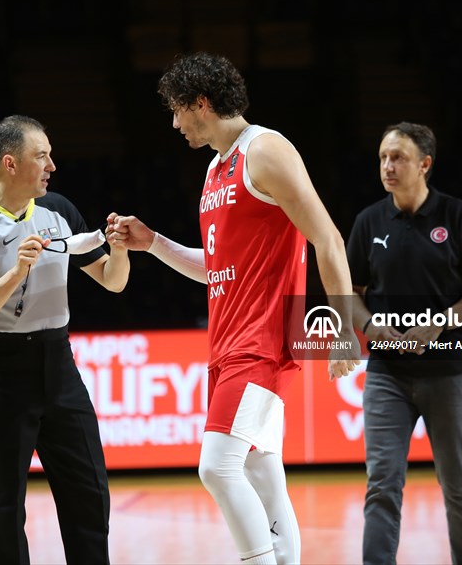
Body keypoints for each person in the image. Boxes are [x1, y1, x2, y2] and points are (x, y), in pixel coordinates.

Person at [107, 51, 361, 565]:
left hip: (261, 342)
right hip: (227, 345)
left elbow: (328, 239)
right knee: (261, 476)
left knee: (217, 467)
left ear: (202, 103)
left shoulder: (265, 151)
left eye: (178, 110)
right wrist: (152, 242)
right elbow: (218, 267)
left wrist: (344, 329)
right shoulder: (215, 169)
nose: (175, 123)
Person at [0, 114, 129, 565]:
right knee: (4, 506)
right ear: (10, 163)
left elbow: (112, 281)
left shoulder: (58, 210)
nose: (52, 165)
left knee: (89, 491)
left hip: (58, 365)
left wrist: (119, 250)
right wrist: (14, 274)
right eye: (41, 155)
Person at [345, 122, 462, 565]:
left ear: (425, 165)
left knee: (458, 486)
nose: (387, 167)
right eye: (382, 158)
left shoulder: (456, 216)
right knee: (382, 486)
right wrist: (371, 329)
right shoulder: (369, 221)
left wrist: (439, 325)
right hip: (387, 376)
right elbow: (350, 292)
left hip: (449, 373)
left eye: (398, 158)